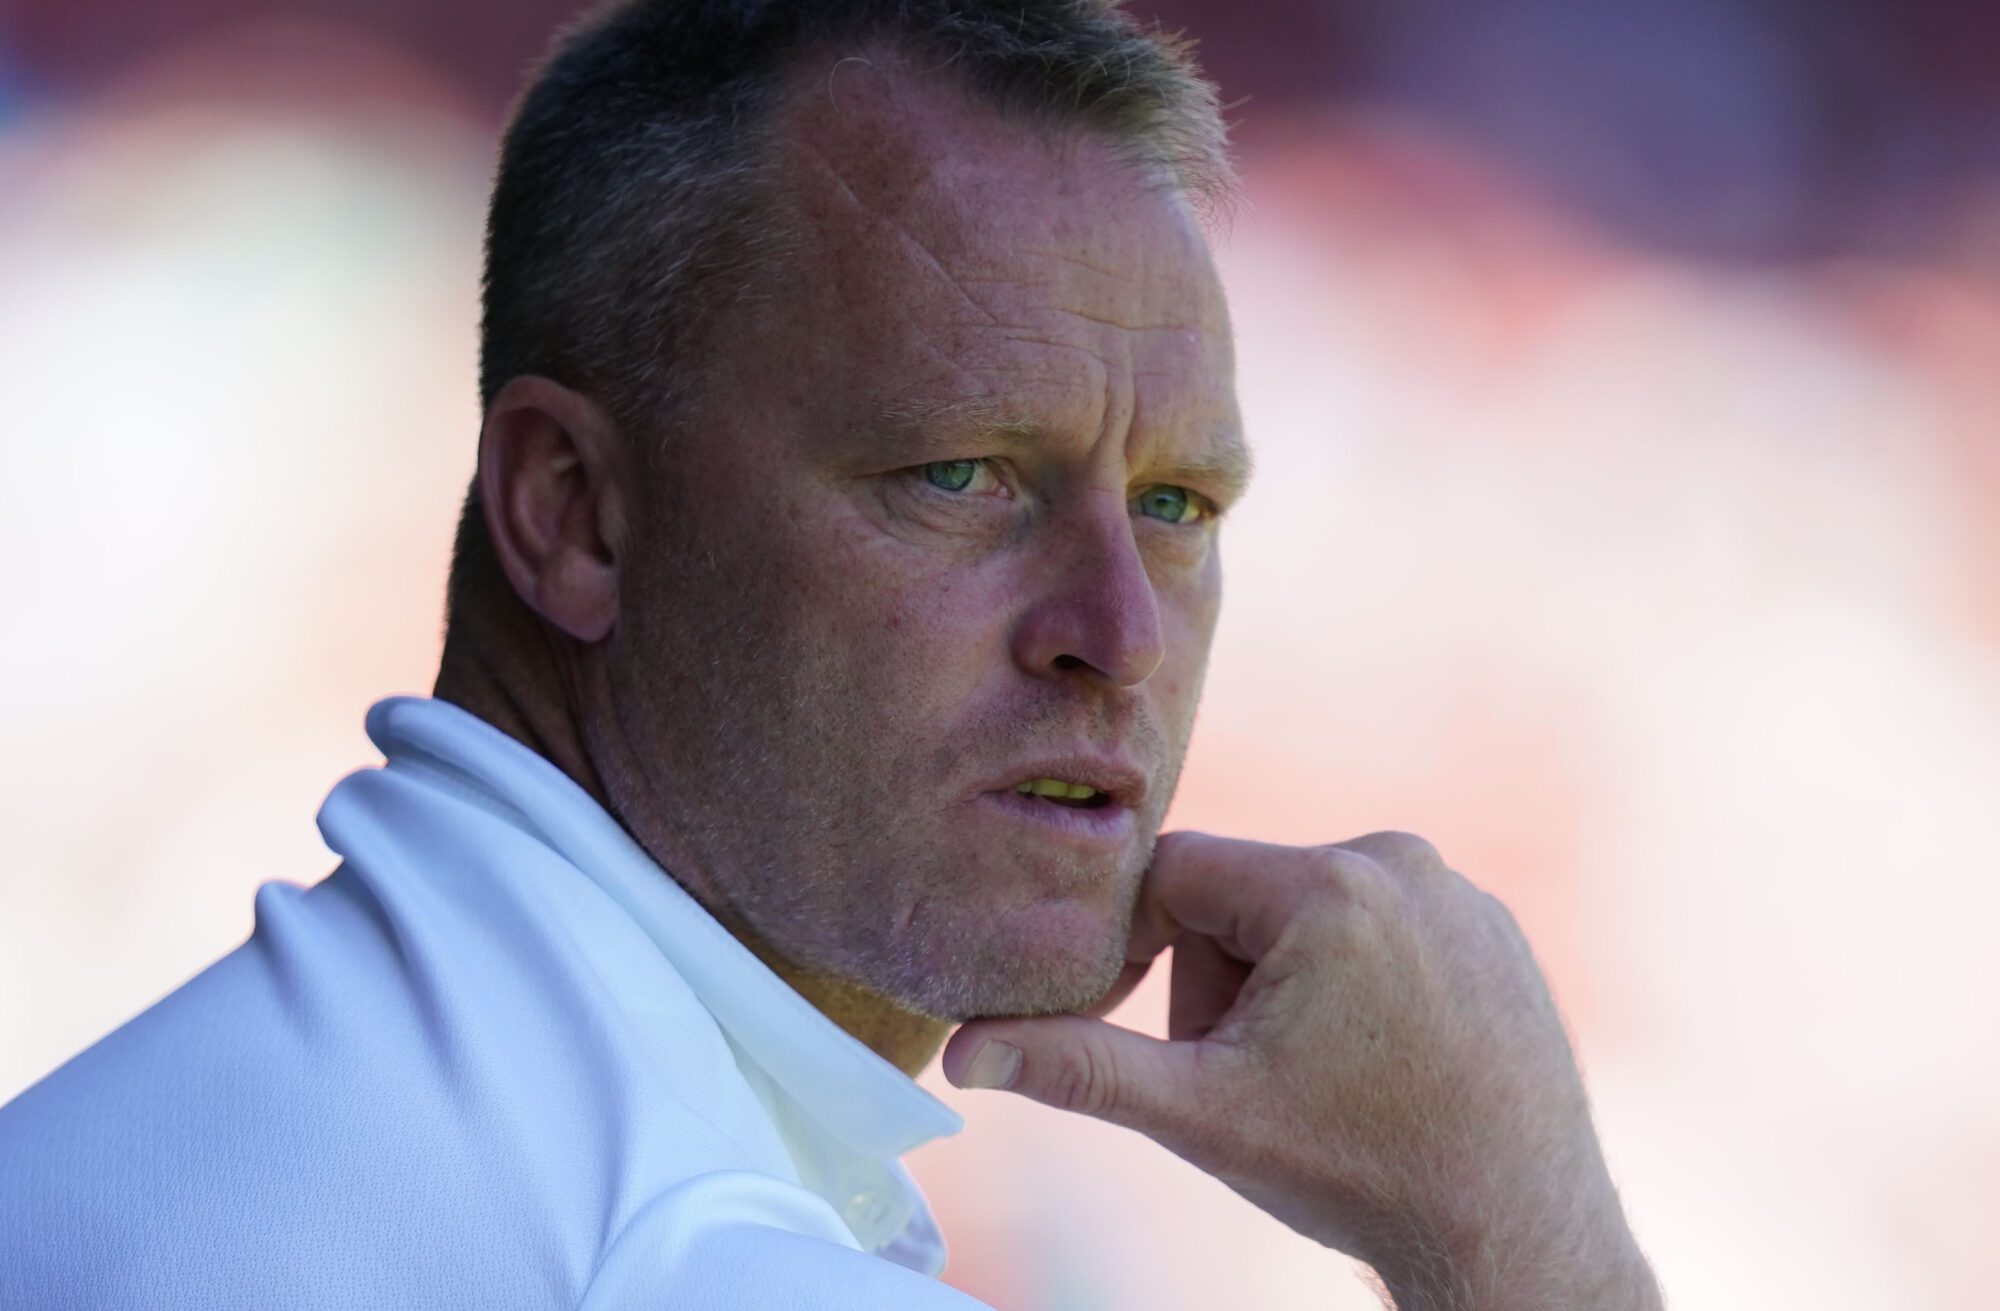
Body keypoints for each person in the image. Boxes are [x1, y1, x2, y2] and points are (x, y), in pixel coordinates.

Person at [0, 1, 1662, 1307]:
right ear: (572, 514)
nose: (1118, 635)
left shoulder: (145, 1130)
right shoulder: (683, 1258)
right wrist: (1514, 1230)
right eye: (962, 476)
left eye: (1175, 504)